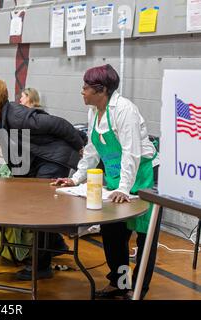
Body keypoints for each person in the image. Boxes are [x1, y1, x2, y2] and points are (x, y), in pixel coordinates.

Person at [51, 64, 158, 300]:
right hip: (114, 179)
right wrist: (76, 177)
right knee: (113, 234)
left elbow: (132, 153)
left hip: (141, 177)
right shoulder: (94, 112)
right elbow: (91, 151)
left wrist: (124, 188)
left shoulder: (125, 110)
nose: (82, 91)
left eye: (86, 87)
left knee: (144, 239)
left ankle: (139, 290)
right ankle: (119, 284)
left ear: (101, 90)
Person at [0, 79, 84, 281]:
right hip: (37, 160)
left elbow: (58, 124)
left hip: (53, 158)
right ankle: (56, 244)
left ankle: (41, 266)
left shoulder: (18, 116)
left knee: (40, 210)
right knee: (35, 206)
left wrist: (81, 147)